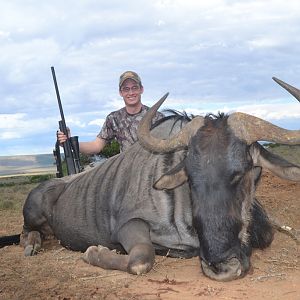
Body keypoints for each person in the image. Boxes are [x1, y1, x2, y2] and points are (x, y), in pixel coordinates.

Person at [57, 71, 164, 154]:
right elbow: (96, 146)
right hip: (127, 173)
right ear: (120, 92)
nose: (131, 93)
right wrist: (69, 142)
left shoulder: (157, 117)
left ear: (141, 89)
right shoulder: (114, 118)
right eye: (126, 89)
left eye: (134, 88)